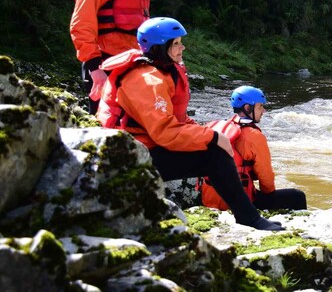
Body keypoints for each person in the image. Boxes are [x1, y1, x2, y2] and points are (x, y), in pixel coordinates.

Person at [97, 17, 282, 231]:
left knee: (213, 149)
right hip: (130, 155)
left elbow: (179, 121)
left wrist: (206, 133)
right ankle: (250, 218)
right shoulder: (146, 80)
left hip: (147, 146)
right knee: (215, 155)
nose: (182, 47)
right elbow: (165, 133)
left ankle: (247, 216)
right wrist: (213, 137)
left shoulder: (161, 69)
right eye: (175, 43)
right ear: (159, 47)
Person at [201, 86, 307, 212]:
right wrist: (268, 194)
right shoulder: (254, 136)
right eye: (260, 106)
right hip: (238, 203)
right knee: (297, 196)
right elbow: (266, 179)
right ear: (247, 108)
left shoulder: (214, 127)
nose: (264, 111)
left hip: (209, 198)